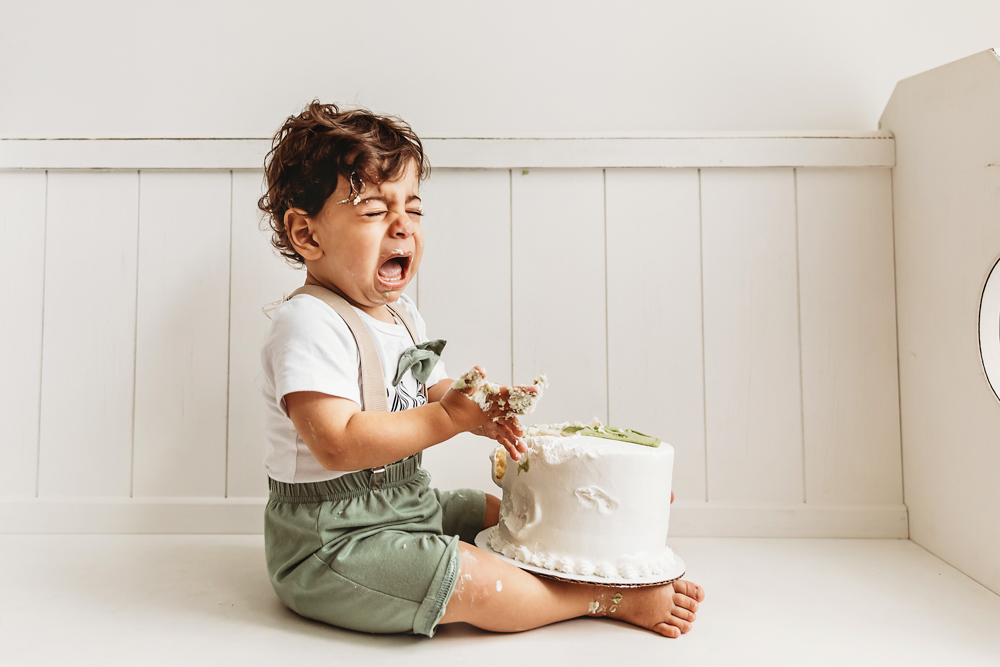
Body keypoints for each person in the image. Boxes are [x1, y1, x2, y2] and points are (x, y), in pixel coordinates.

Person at [257, 101, 705, 638]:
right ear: (307, 235)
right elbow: (337, 442)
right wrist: (448, 419)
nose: (403, 226)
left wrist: (484, 409)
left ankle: (609, 552)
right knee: (470, 576)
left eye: (413, 209)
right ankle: (595, 598)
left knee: (505, 512)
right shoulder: (306, 322)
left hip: (407, 503)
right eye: (375, 210)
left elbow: (434, 388)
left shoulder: (402, 315)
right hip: (331, 540)